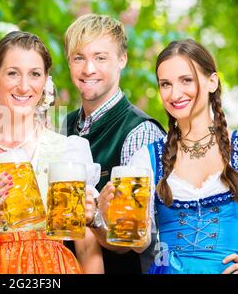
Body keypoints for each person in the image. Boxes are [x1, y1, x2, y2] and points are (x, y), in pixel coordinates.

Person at [0, 31, 104, 274]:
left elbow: (86, 246)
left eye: (34, 74)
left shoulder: (68, 150)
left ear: (45, 81)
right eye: (12, 73)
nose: (23, 86)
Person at [99, 39, 238, 273]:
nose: (175, 94)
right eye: (165, 84)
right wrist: (100, 218)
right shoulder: (147, 158)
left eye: (186, 80)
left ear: (212, 81)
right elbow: (137, 242)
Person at [62, 13, 166, 274]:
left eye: (100, 57)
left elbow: (135, 239)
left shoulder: (140, 132)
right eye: (79, 58)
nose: (88, 69)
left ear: (122, 60)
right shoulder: (61, 126)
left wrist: (95, 214)